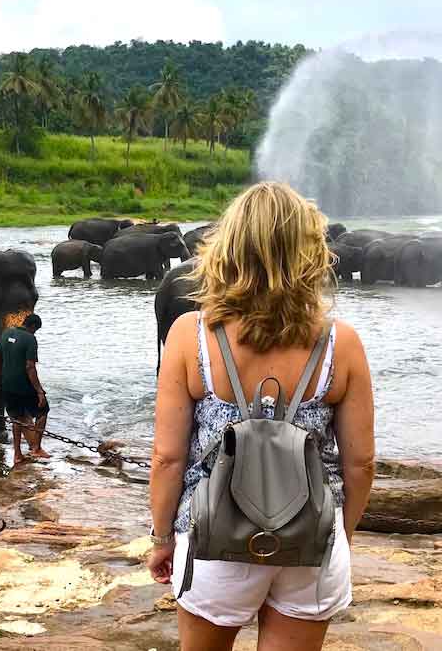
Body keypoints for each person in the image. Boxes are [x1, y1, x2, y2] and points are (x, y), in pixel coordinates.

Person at [147, 182, 375, 651]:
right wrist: (340, 535)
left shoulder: (190, 335)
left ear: (226, 248)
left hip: (213, 538)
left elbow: (168, 458)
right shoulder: (342, 343)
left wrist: (163, 537)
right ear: (311, 252)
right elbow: (361, 465)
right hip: (311, 539)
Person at [0, 313, 50, 464]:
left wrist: (4, 374)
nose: (35, 333)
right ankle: (36, 448)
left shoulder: (6, 333)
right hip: (24, 386)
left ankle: (17, 454)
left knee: (16, 419)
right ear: (33, 326)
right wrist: (39, 391)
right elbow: (30, 367)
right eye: (35, 330)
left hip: (7, 385)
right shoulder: (30, 339)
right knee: (43, 410)